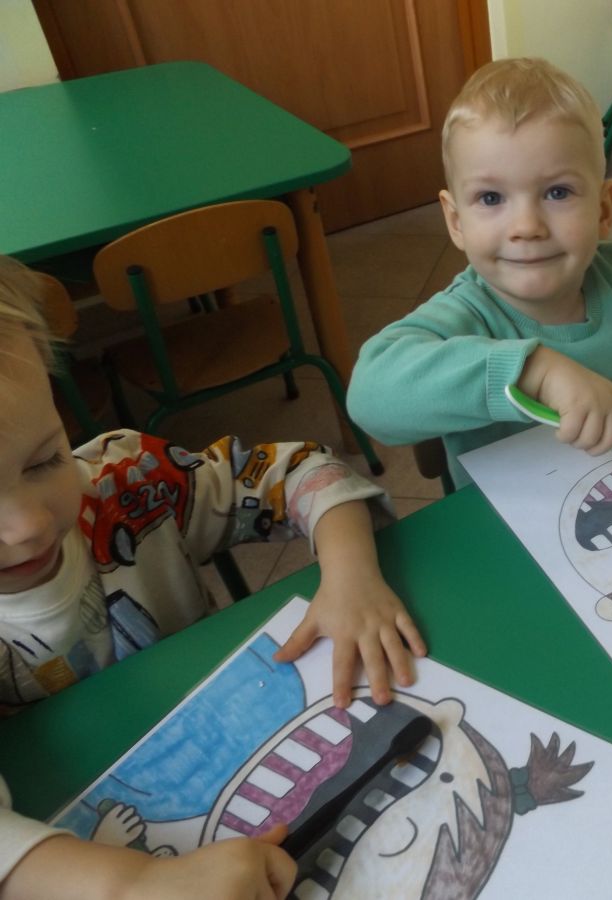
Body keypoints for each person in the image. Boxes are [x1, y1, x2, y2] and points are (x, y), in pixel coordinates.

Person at [0, 254, 425, 898]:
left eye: (43, 461)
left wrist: (350, 572)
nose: (29, 524)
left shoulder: (128, 482)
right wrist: (133, 886)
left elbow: (297, 470)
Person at [348, 58, 612, 487]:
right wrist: (532, 372)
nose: (526, 227)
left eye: (557, 192)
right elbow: (370, 395)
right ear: (456, 222)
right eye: (491, 198)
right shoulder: (464, 316)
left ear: (603, 210)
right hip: (509, 519)